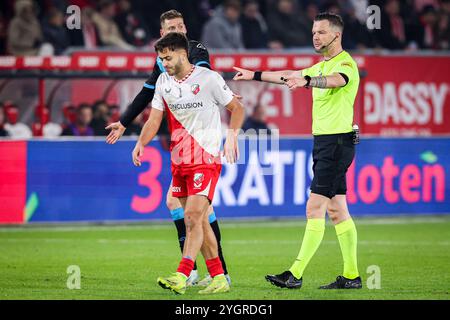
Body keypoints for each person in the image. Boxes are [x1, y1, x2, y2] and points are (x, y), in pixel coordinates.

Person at [233, 12, 362, 290]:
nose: (315, 36)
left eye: (322, 32)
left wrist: (308, 81)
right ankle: (351, 276)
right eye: (314, 32)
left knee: (314, 207)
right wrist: (254, 75)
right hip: (329, 144)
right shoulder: (320, 66)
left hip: (336, 144)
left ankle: (295, 273)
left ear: (336, 35)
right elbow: (288, 76)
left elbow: (337, 80)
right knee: (338, 211)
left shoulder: (345, 64)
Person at [105, 10, 232, 288]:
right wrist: (125, 123)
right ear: (162, 33)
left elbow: (201, 76)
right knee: (188, 209)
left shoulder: (193, 50)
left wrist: (222, 94)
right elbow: (147, 93)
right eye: (172, 27)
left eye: (181, 25)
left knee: (193, 212)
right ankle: (216, 272)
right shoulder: (163, 64)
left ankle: (197, 270)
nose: (179, 30)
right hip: (180, 145)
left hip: (200, 143)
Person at [132, 32, 244, 295]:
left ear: (183, 53)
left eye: (168, 58)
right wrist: (141, 143)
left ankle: (182, 275)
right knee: (200, 222)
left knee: (193, 217)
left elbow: (237, 108)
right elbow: (154, 119)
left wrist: (232, 137)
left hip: (205, 159)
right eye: (161, 58)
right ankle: (218, 276)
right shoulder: (163, 82)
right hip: (179, 161)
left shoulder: (209, 79)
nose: (164, 63)